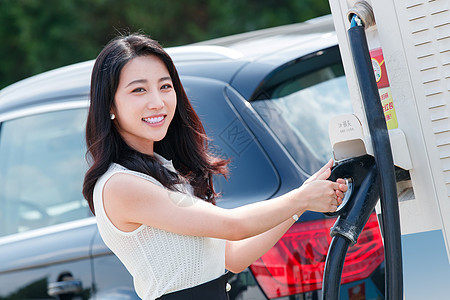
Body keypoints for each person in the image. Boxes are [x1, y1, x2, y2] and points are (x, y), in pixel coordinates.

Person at [82, 33, 347, 300]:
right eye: (139, 90)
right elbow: (235, 226)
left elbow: (234, 256)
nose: (157, 102)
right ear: (109, 105)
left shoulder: (163, 171)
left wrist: (302, 201)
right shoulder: (120, 185)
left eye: (165, 86)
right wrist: (299, 198)